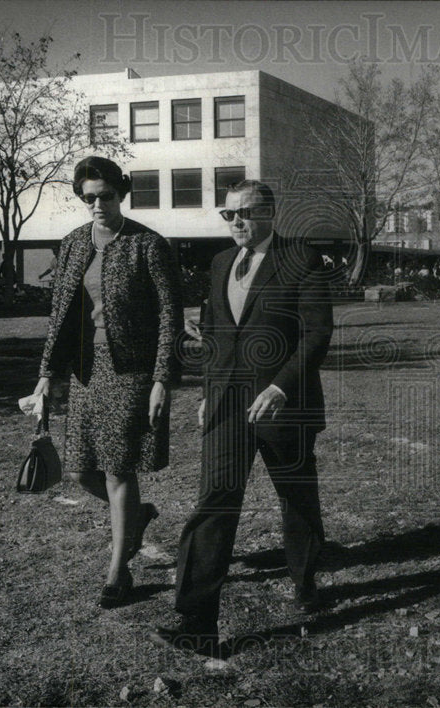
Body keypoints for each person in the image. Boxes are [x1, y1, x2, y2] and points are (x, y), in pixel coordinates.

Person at [157, 180, 333, 656]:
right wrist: (208, 396)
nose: (235, 222)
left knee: (296, 497)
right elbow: (218, 334)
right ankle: (197, 621)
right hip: (227, 405)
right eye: (227, 214)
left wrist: (280, 387)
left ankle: (305, 580)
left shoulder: (302, 259)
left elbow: (316, 334)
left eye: (244, 213)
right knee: (214, 499)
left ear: (270, 212)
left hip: (284, 405)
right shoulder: (219, 263)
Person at [32, 156, 183, 609]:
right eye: (88, 198)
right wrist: (45, 375)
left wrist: (162, 379)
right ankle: (137, 516)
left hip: (131, 372)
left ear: (122, 192)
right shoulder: (73, 244)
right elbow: (59, 316)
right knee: (80, 470)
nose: (97, 205)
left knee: (119, 468)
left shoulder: (149, 245)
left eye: (106, 196)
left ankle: (119, 572)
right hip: (85, 371)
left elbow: (169, 318)